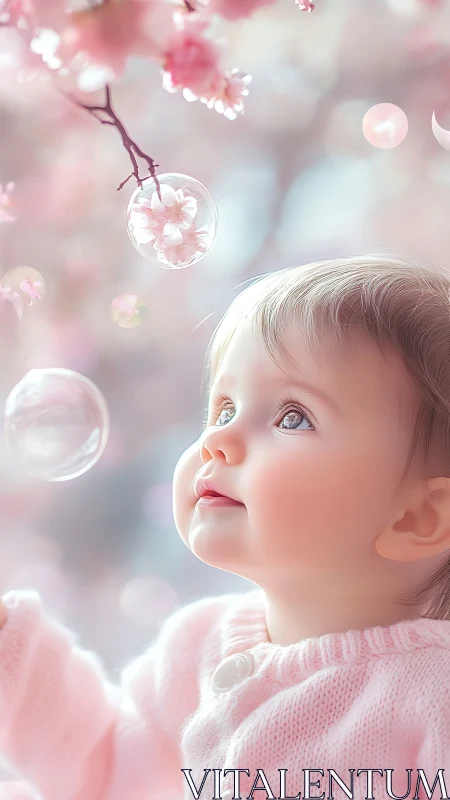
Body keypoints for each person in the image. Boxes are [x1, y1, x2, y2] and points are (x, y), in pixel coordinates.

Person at [0, 252, 450, 800]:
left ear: (416, 516)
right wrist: (12, 648)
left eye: (292, 417)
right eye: (224, 410)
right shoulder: (196, 647)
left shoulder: (433, 700)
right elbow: (107, 770)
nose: (217, 440)